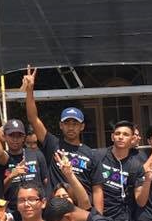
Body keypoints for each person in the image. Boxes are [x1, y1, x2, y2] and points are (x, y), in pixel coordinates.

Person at [22, 66, 97, 196]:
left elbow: (96, 188)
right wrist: (30, 91)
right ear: (60, 126)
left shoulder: (90, 154)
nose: (71, 127)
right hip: (56, 206)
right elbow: (33, 119)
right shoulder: (53, 144)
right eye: (67, 123)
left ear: (82, 127)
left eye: (75, 123)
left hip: (81, 207)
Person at [0, 119, 50, 217]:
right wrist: (11, 176)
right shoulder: (1, 160)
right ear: (4, 137)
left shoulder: (36, 154)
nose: (15, 139)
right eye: (11, 136)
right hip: (13, 211)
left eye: (19, 136)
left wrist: (45, 203)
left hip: (36, 209)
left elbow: (46, 182)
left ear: (24, 137)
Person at [93, 121, 144, 221]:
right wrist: (98, 219)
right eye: (117, 134)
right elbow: (95, 187)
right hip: (98, 215)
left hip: (123, 218)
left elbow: (140, 201)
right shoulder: (98, 156)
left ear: (133, 139)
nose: (120, 137)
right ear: (112, 137)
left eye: (125, 134)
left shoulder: (136, 165)